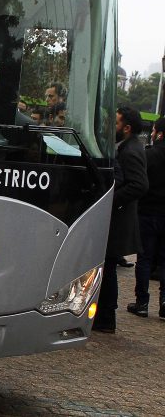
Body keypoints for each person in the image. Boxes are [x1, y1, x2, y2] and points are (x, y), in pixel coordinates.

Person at [94, 107, 149, 332]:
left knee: (108, 268)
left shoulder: (130, 150)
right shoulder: (128, 146)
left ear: (126, 128)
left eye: (115, 123)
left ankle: (106, 317)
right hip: (119, 217)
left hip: (119, 219)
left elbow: (139, 184)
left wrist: (112, 200)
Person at [126, 117, 165, 318]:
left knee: (145, 259)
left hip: (148, 212)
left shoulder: (150, 155)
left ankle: (142, 302)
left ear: (159, 133)